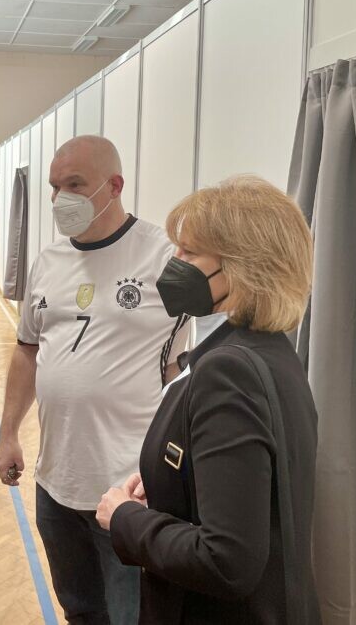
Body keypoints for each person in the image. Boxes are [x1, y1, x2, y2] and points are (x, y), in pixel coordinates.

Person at [95, 176, 321, 625]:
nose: (174, 263)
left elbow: (227, 559)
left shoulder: (229, 371)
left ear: (242, 266)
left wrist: (124, 519)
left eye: (189, 253)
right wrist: (168, 478)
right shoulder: (272, 352)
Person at [0, 135, 188, 625]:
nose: (61, 199)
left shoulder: (164, 259)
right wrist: (8, 433)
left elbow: (181, 371)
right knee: (79, 610)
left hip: (130, 489)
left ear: (114, 185)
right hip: (56, 482)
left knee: (131, 616)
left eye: (75, 185)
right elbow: (27, 350)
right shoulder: (48, 262)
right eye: (55, 187)